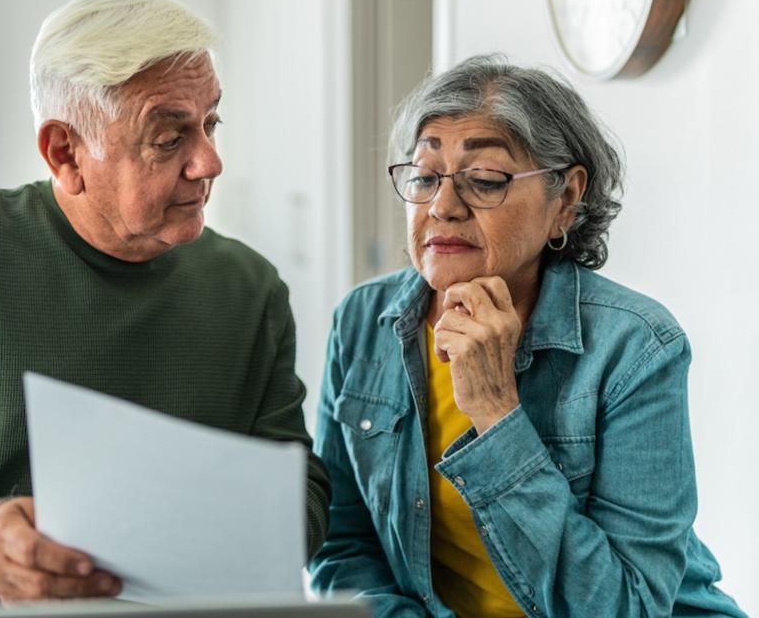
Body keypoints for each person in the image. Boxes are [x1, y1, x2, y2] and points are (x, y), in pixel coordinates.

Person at [0, 0, 330, 606]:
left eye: (210, 123)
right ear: (65, 152)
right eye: (169, 137)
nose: (209, 162)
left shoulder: (250, 291)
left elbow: (302, 499)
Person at [307, 55, 746, 618]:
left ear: (564, 201)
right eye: (423, 177)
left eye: (484, 180)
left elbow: (627, 607)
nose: (442, 206)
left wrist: (496, 415)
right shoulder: (362, 321)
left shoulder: (637, 347)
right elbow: (343, 543)